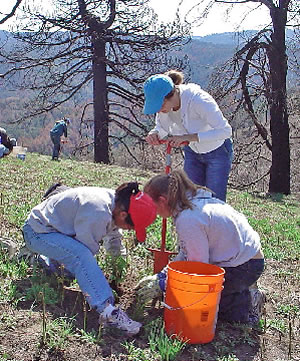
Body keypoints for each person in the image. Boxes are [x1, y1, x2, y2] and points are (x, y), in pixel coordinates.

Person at [22, 182, 157, 335]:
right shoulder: (98, 211)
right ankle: (108, 313)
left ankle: (41, 261)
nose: (129, 230)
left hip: (55, 231)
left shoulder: (116, 204)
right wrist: (100, 287)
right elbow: (83, 255)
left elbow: (114, 240)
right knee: (81, 256)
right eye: (131, 227)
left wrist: (117, 270)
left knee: (68, 270)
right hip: (37, 233)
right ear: (123, 215)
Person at [136, 170, 265, 324]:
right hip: (245, 258)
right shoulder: (193, 204)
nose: (154, 212)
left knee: (203, 304)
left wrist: (164, 285)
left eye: (152, 206)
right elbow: (186, 253)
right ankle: (241, 288)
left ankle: (250, 301)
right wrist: (162, 275)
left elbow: (198, 269)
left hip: (244, 266)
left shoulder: (188, 219)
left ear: (162, 200)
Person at [143, 70, 233, 202]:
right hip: (192, 152)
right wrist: (154, 134)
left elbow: (225, 131)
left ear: (172, 94)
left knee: (215, 202)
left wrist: (189, 138)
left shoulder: (199, 100)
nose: (159, 110)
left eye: (160, 105)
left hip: (217, 152)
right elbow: (161, 126)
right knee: (190, 199)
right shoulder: (164, 107)